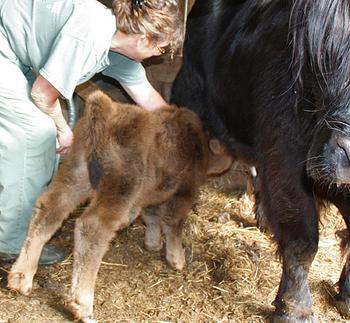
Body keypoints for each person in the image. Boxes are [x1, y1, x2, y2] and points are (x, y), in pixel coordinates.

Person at [0, 0, 183, 264]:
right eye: (161, 47)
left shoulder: (118, 50)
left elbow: (148, 97)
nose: (159, 55)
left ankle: (15, 215)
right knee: (36, 133)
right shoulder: (90, 33)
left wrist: (182, 135)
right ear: (143, 39)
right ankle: (10, 241)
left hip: (18, 57)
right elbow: (42, 95)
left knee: (35, 137)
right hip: (5, 50)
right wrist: (62, 129)